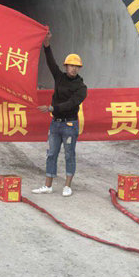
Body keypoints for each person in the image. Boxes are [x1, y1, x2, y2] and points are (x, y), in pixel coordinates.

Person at [32, 31, 87, 197]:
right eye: (71, 65)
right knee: (51, 154)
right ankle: (47, 185)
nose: (74, 68)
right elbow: (51, 63)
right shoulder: (60, 78)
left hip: (70, 124)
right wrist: (46, 44)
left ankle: (67, 186)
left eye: (76, 66)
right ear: (66, 67)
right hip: (55, 124)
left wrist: (51, 109)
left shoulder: (81, 88)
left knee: (69, 155)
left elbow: (71, 104)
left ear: (79, 68)